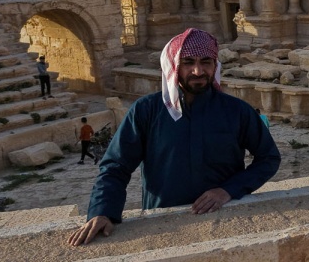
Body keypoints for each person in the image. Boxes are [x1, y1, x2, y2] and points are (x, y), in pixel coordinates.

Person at [68, 28, 281, 246]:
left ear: (215, 65)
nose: (198, 71)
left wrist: (228, 190)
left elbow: (268, 158)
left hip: (226, 219)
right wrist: (102, 211)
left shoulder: (237, 111)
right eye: (188, 62)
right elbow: (116, 166)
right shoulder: (146, 111)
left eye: (206, 62)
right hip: (163, 224)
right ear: (173, 66)